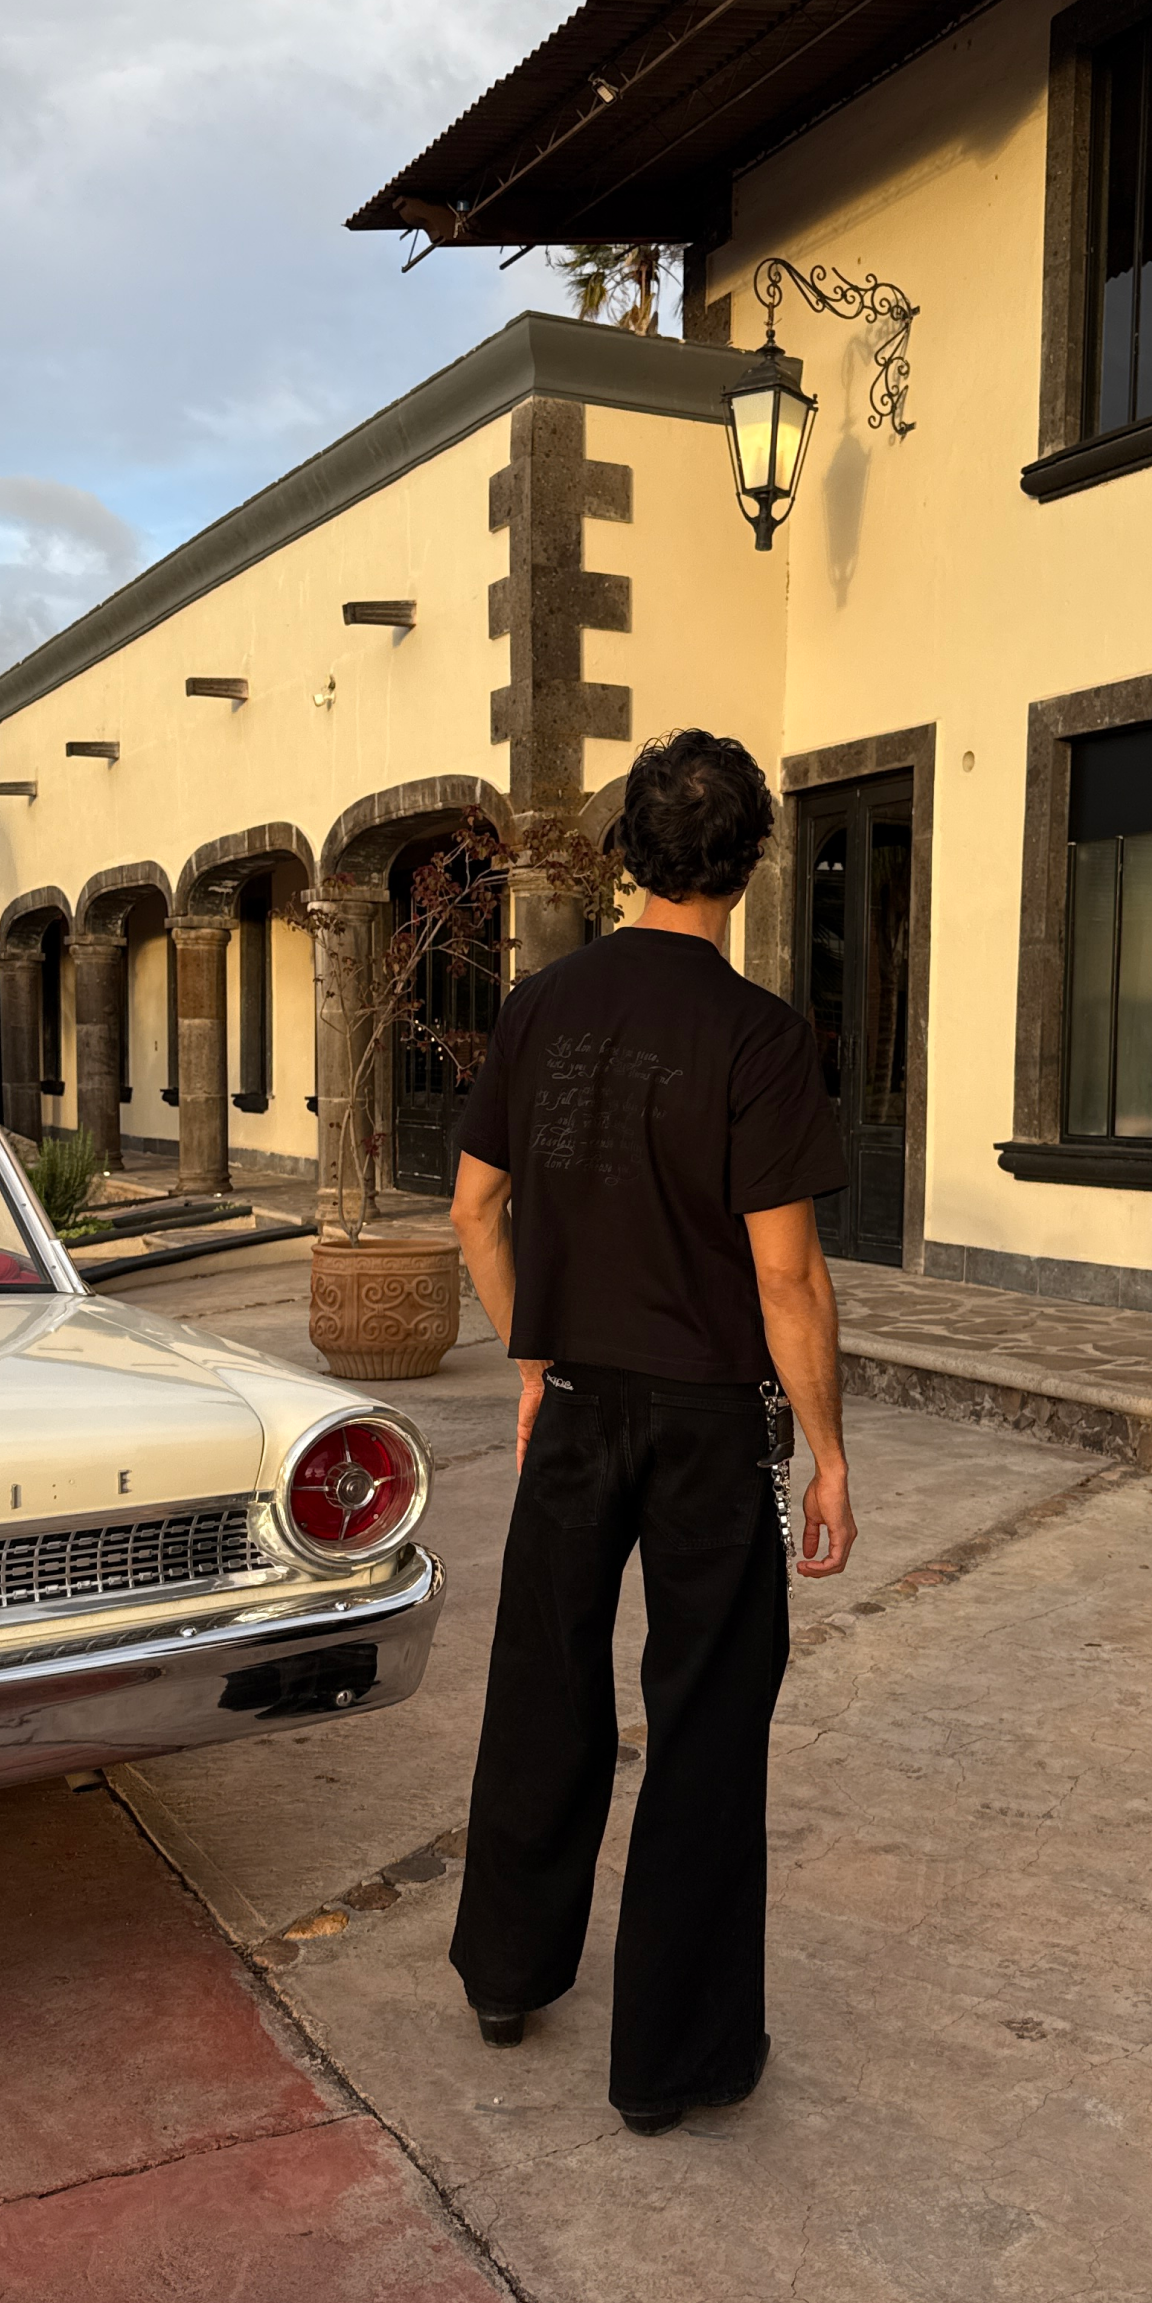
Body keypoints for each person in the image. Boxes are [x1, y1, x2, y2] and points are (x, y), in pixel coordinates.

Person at [447, 726, 855, 2136]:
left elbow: (474, 1214)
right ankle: (670, 2062)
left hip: (576, 1405)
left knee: (544, 1683)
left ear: (625, 852)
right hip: (703, 1426)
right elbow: (787, 1274)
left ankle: (506, 1973)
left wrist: (534, 1353)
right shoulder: (758, 1037)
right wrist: (828, 1450)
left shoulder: (539, 1008)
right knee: (704, 1723)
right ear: (748, 865)